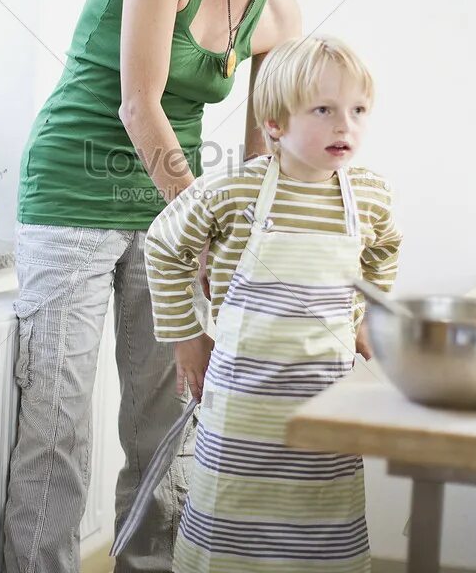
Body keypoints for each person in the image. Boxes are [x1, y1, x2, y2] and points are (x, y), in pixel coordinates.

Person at [3, 0, 395, 573]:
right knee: (56, 429)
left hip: (169, 219)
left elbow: (264, 154)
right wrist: (205, 225)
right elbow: (138, 106)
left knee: (167, 420)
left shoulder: (279, 16)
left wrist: (264, 250)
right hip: (72, 199)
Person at [145, 35, 403, 572]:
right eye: (325, 109)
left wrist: (365, 321)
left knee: (318, 539)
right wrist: (188, 339)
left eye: (358, 110)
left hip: (323, 406)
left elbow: (383, 255)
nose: (345, 126)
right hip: (243, 412)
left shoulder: (370, 196)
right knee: (228, 542)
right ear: (275, 125)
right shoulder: (235, 191)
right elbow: (165, 245)